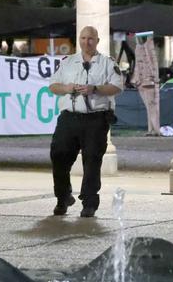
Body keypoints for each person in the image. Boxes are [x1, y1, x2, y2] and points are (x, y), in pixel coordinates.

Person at [49, 26, 123, 217]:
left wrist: (95, 89)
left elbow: (116, 87)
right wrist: (67, 87)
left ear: (97, 41)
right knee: (59, 155)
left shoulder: (107, 63)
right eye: (83, 38)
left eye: (90, 38)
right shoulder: (68, 62)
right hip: (69, 117)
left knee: (92, 160)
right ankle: (63, 197)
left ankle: (89, 202)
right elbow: (53, 85)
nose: (86, 42)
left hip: (95, 119)